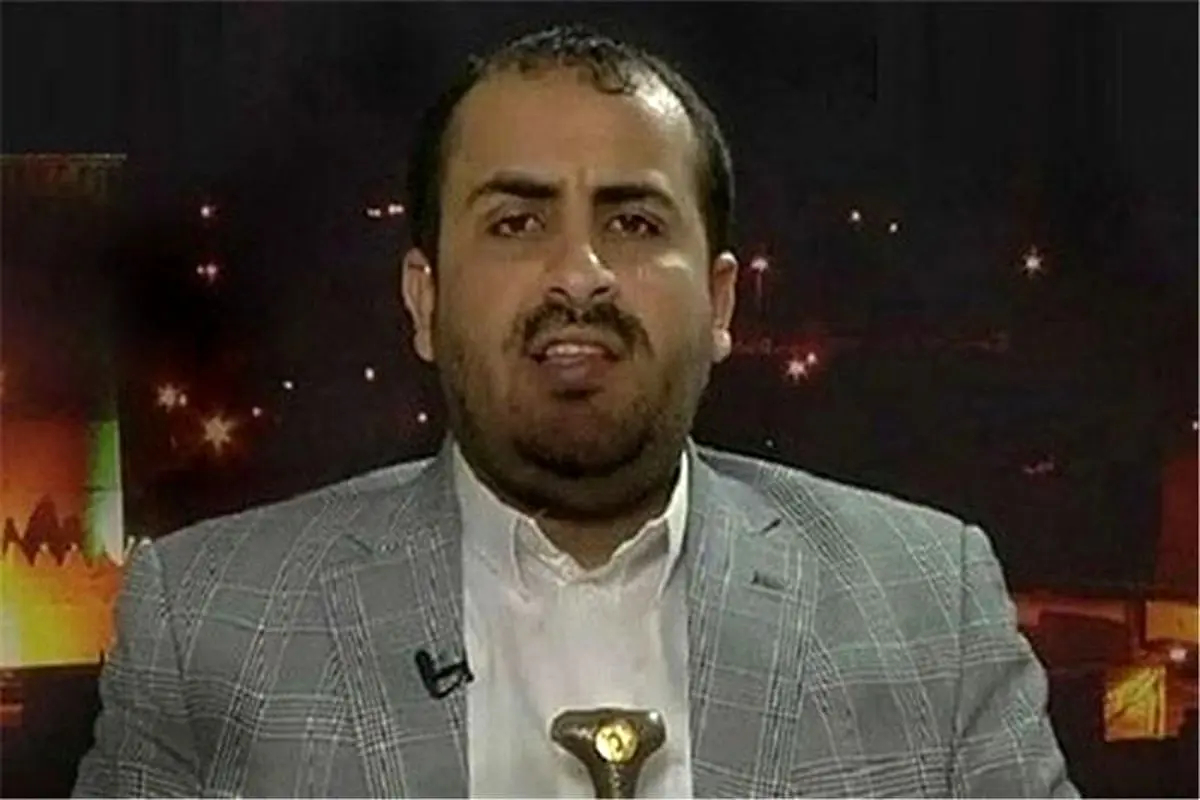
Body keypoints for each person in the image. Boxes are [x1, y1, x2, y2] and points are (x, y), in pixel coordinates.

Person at [73, 23, 1077, 798]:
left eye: (633, 222)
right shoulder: (206, 622)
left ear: (721, 302)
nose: (579, 273)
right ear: (424, 300)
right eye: (516, 222)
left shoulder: (927, 603)